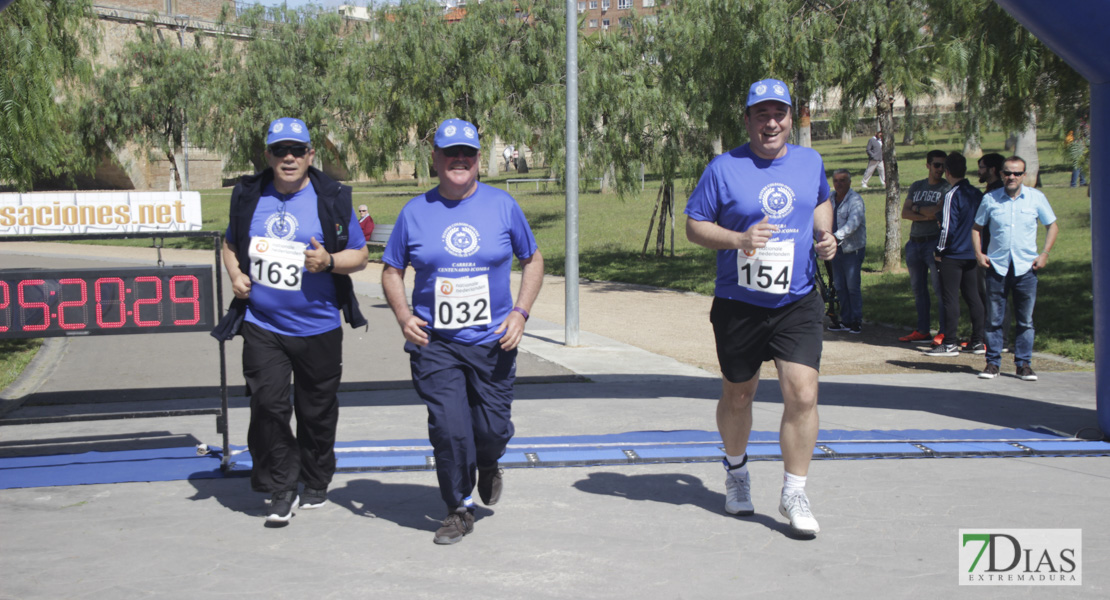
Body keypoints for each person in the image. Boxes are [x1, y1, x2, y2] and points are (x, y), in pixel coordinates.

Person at [685, 78, 836, 537]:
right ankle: (736, 472)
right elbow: (694, 225)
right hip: (740, 304)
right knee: (740, 394)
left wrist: (824, 236)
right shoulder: (724, 167)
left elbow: (822, 201)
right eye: (761, 115)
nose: (771, 123)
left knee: (803, 392)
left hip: (797, 300)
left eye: (779, 114)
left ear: (791, 118)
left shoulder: (810, 161)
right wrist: (738, 240)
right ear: (747, 119)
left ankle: (794, 490)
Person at [382, 118, 544, 545]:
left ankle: (488, 463)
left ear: (477, 161)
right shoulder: (414, 212)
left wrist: (521, 313)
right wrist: (403, 315)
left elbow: (534, 260)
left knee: (490, 431)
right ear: (434, 158)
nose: (459, 160)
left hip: (493, 342)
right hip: (436, 344)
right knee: (450, 428)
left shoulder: (502, 206)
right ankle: (458, 507)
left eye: (467, 154)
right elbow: (392, 270)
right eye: (450, 153)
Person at [214, 117, 369, 524]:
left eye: (297, 150)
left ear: (310, 155)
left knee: (316, 411)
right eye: (280, 150)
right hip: (264, 325)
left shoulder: (331, 198)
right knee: (268, 405)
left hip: (319, 327)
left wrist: (330, 261)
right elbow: (230, 245)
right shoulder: (249, 195)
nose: (288, 158)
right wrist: (235, 275)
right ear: (267, 155)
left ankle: (316, 477)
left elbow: (361, 254)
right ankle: (282, 486)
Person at [973, 156, 1058, 381]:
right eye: (1008, 173)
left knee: (1025, 320)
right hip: (997, 267)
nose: (1012, 177)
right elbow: (976, 228)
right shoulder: (991, 199)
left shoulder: (1036, 198)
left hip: (1026, 268)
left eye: (1017, 173)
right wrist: (978, 254)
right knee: (993, 319)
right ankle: (992, 364)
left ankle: (1023, 365)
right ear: (1001, 174)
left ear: (1024, 175)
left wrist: (1045, 254)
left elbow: (1052, 226)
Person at [927, 152, 985, 357]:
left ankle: (950, 342)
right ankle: (978, 340)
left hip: (954, 253)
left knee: (950, 298)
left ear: (947, 171)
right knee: (973, 297)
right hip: (972, 252)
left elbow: (947, 227)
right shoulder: (977, 194)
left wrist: (939, 251)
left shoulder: (952, 195)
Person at [897, 150, 950, 345]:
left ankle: (944, 331)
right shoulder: (917, 186)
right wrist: (923, 212)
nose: (940, 169)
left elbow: (938, 212)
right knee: (918, 289)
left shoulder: (946, 188)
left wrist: (917, 209)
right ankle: (922, 330)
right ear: (928, 165)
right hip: (914, 243)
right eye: (936, 165)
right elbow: (905, 212)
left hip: (934, 242)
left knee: (939, 289)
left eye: (943, 166)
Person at [826, 169, 866, 334]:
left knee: (852, 287)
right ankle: (846, 320)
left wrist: (834, 237)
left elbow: (853, 224)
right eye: (836, 180)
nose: (839, 184)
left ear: (849, 182)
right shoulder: (830, 199)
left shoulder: (855, 200)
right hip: (835, 249)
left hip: (852, 249)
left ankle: (856, 320)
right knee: (840, 286)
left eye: (842, 180)